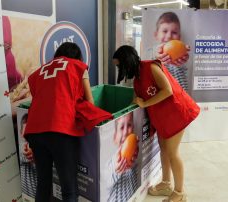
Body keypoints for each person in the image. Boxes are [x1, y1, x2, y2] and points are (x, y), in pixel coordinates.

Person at [24, 42, 112, 202]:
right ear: (78, 56)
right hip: (60, 130)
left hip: (35, 131)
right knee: (69, 189)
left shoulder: (39, 71)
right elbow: (89, 101)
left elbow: (41, 98)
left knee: (43, 184)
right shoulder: (78, 66)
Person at [113, 45, 200, 202]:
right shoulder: (137, 80)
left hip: (177, 112)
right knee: (164, 150)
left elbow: (167, 90)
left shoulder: (150, 67)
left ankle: (180, 193)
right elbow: (137, 99)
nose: (119, 69)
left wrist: (145, 104)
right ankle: (166, 183)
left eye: (120, 65)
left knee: (172, 153)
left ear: (127, 61)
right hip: (163, 117)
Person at [153, 12, 190, 91]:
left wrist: (183, 56)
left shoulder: (181, 53)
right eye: (165, 31)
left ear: (179, 37)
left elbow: (184, 68)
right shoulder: (153, 53)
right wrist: (157, 59)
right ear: (156, 35)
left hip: (181, 99)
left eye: (174, 32)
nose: (169, 36)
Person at [107, 112, 139, 202]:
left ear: (133, 130)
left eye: (129, 125)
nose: (125, 132)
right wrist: (115, 168)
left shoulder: (133, 159)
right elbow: (104, 182)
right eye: (121, 128)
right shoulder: (112, 164)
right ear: (115, 137)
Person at [19, 113, 37, 200]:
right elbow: (24, 153)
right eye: (25, 132)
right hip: (27, 196)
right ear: (20, 132)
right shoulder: (22, 146)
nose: (28, 136)